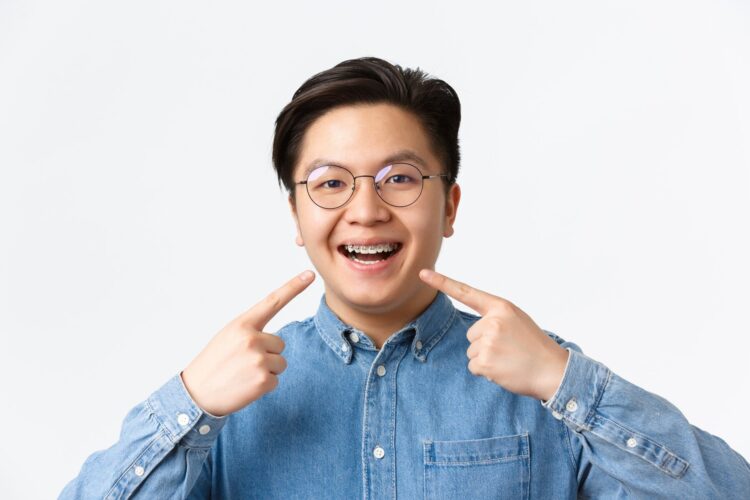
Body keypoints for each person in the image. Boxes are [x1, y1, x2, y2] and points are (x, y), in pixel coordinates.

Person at [60, 57, 750, 499]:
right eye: (330, 183)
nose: (365, 209)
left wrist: (566, 382)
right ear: (297, 216)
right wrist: (189, 407)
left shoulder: (539, 384)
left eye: (400, 178)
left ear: (448, 205)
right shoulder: (232, 397)